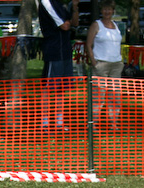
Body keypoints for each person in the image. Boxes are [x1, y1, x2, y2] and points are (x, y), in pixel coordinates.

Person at [38, 0, 79, 131]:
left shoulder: (61, 4)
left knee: (61, 88)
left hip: (65, 51)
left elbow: (75, 23)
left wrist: (75, 7)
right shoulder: (46, 2)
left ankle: (59, 122)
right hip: (53, 52)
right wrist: (67, 23)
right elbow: (65, 25)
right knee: (47, 88)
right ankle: (44, 122)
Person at [86, 0, 123, 130]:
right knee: (98, 96)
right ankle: (92, 124)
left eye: (109, 9)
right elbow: (88, 45)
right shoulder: (96, 25)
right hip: (101, 64)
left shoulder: (116, 26)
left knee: (115, 96)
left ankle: (114, 123)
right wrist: (94, 62)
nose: (107, 12)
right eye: (105, 9)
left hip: (116, 65)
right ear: (101, 11)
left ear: (113, 11)